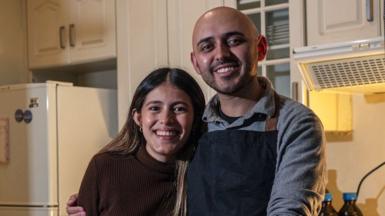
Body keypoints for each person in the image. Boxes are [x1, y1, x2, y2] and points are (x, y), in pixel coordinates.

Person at [68, 6, 327, 216]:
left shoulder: (295, 122)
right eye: (207, 47)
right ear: (196, 62)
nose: (221, 54)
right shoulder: (196, 126)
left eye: (234, 41)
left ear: (260, 48)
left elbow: (289, 210)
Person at [69, 67, 205, 216]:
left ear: (195, 118)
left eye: (179, 109)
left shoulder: (206, 174)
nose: (166, 119)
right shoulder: (104, 168)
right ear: (138, 118)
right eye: (154, 108)